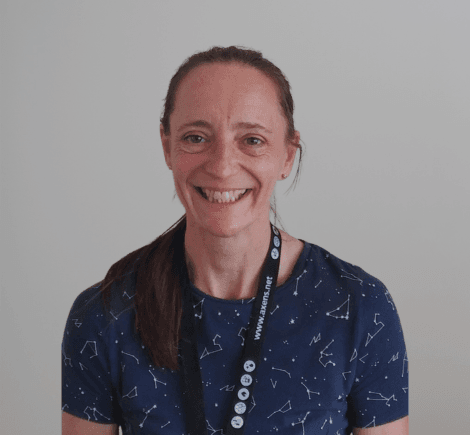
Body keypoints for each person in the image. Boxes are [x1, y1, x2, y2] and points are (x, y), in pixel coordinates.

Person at [62, 46, 409, 435]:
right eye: (196, 137)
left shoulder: (360, 307)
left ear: (287, 156)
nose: (223, 166)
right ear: (167, 146)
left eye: (253, 140)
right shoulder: (104, 314)